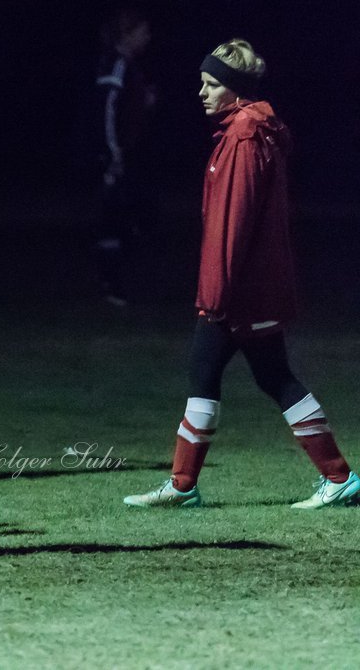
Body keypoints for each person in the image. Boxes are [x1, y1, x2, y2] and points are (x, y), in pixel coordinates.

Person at [123, 40, 359, 509]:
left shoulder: (244, 136)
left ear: (236, 90)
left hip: (240, 292)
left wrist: (216, 294)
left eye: (212, 84)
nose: (202, 93)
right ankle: (333, 477)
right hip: (249, 287)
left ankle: (189, 485)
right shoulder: (247, 129)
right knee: (249, 375)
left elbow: (233, 223)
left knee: (235, 375)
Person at [92, 10, 156, 305]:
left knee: (127, 216)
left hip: (127, 154)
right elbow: (107, 109)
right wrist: (112, 152)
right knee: (118, 218)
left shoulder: (128, 66)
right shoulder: (117, 64)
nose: (147, 38)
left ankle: (116, 284)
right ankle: (111, 285)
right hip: (117, 155)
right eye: (142, 32)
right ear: (127, 35)